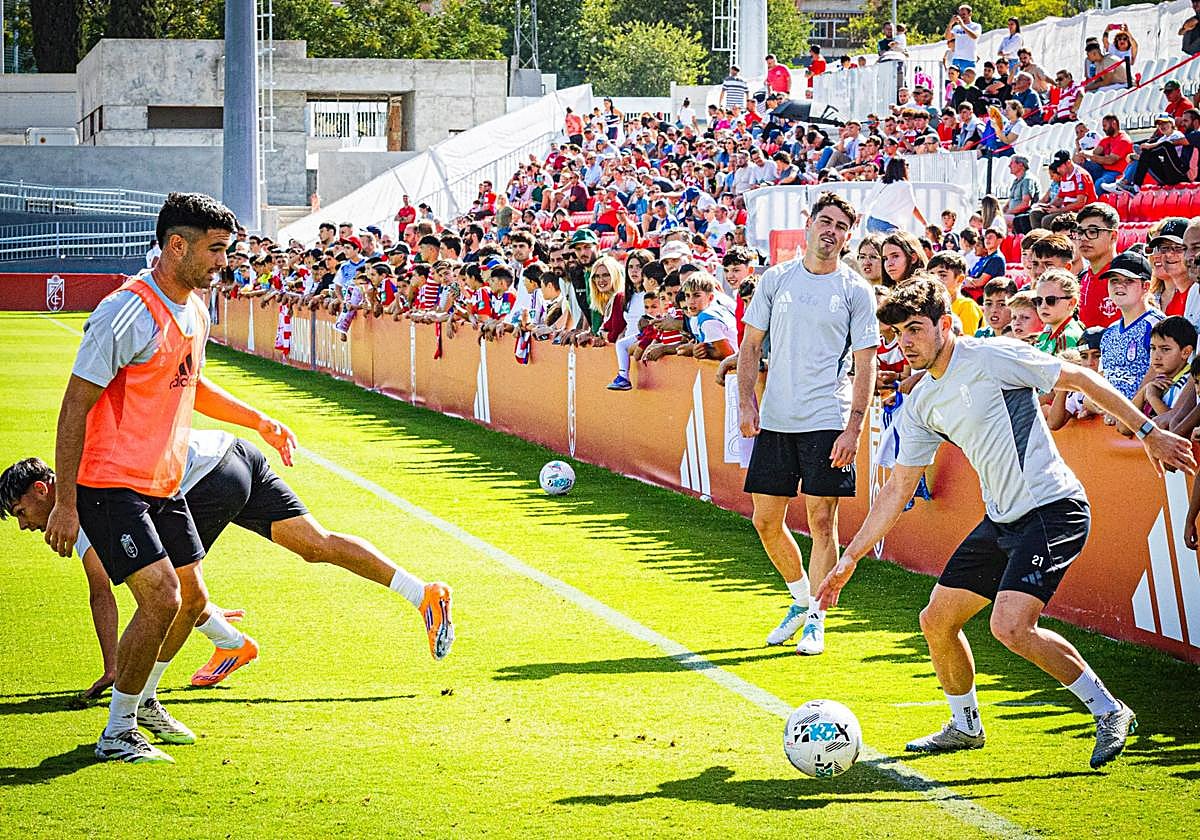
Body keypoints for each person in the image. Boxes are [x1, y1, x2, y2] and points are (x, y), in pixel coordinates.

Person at [815, 277, 1195, 770]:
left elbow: (1079, 380)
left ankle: (1110, 711)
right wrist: (849, 558)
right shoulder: (923, 401)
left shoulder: (993, 356)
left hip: (1053, 508)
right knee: (936, 620)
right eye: (897, 332)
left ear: (944, 325)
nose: (905, 342)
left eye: (915, 329)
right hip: (1003, 518)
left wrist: (1147, 433)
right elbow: (898, 488)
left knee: (1011, 626)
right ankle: (964, 725)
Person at [43, 193, 297, 764]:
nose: (222, 262)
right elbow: (74, 406)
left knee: (191, 599)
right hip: (111, 484)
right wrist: (65, 504)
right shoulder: (126, 311)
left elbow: (192, 385)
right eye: (214, 250)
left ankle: (144, 701)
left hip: (164, 481)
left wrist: (259, 421)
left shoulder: (195, 311)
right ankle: (117, 733)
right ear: (175, 245)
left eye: (226, 250)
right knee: (160, 597)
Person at [2, 432, 454, 694]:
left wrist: (115, 669)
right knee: (317, 544)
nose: (24, 526)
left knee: (173, 592)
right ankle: (422, 594)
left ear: (42, 490)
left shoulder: (86, 500)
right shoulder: (78, 497)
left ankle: (144, 699)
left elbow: (105, 590)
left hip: (207, 479)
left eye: (21, 513)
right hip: (234, 454)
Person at [737, 192, 879, 657]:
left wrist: (853, 429)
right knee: (765, 521)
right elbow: (751, 346)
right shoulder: (776, 280)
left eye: (841, 225)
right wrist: (747, 404)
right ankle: (802, 600)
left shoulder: (856, 290)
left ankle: (817, 619)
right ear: (809, 223)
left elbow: (866, 363)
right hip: (776, 419)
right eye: (825, 221)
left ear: (848, 235)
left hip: (827, 419)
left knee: (822, 522)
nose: (831, 231)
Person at [1100, 251, 1163, 402]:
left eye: (1128, 280)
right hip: (1108, 416)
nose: (1119, 286)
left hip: (1141, 417)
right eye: (1114, 280)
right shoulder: (1109, 332)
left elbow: (1160, 372)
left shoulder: (1157, 324)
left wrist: (1128, 412)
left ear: (1145, 286)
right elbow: (1102, 377)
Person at [1074, 202, 1120, 329]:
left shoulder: (1128, 278)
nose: (1084, 238)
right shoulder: (1081, 279)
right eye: (1080, 232)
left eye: (1093, 231)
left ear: (1113, 236)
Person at [864, 158, 927, 235]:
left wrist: (860, 214)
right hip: (887, 225)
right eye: (906, 165)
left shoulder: (882, 180)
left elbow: (870, 197)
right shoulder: (905, 185)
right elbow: (912, 206)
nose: (908, 168)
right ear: (901, 168)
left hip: (872, 221)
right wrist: (924, 223)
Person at [928, 252, 982, 336]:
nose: (935, 280)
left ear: (960, 279)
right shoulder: (931, 306)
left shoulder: (966, 306)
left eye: (943, 275)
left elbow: (965, 343)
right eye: (931, 275)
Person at [1032, 268, 1083, 354]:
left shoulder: (1068, 337)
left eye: (1051, 300)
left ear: (1071, 303)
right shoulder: (1045, 334)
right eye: (1039, 300)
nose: (1043, 306)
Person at [945, 5, 982, 73]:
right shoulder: (956, 27)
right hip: (957, 59)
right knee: (955, 82)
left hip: (969, 59)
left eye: (964, 14)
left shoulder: (976, 26)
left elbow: (974, 36)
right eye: (960, 14)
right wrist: (950, 24)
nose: (962, 16)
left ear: (970, 14)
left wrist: (963, 26)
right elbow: (948, 37)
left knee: (967, 82)